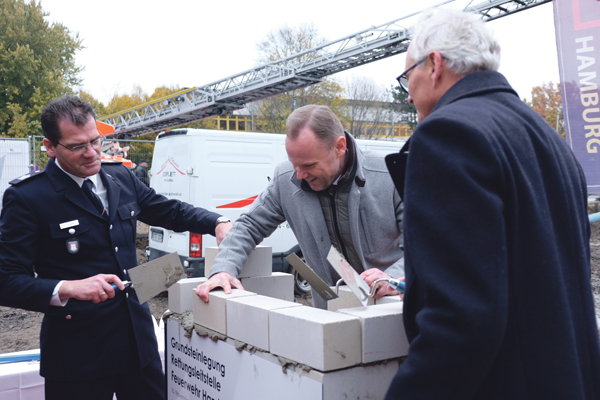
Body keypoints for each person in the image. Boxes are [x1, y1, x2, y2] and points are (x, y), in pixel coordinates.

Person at [384, 8, 600, 399]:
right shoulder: (548, 138)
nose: (409, 90)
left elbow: (461, 318)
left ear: (434, 65)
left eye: (407, 76)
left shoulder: (447, 135)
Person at [0, 96, 232, 400]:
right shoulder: (29, 197)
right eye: (77, 146)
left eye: (95, 141)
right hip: (77, 355)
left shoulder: (119, 177)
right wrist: (68, 288)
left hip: (138, 345)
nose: (91, 152)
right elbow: (6, 280)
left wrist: (217, 221)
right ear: (50, 146)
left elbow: (168, 211)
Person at [196, 104, 404, 309]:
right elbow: (248, 226)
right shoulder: (285, 180)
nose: (299, 175)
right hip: (329, 317)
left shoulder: (389, 176)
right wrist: (223, 270)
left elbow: (428, 245)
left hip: (390, 311)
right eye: (294, 163)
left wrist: (394, 278)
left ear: (339, 147)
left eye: (309, 165)